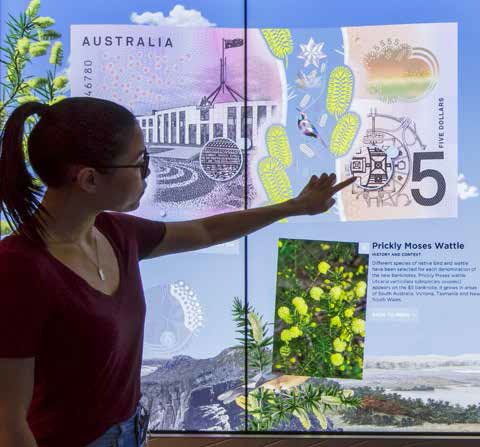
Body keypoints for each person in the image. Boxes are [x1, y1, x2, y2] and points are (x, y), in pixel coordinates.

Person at [0, 97, 355, 447]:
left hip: (129, 430)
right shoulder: (18, 270)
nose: (148, 172)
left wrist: (295, 207)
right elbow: (9, 425)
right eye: (140, 162)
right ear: (89, 179)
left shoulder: (115, 233)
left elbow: (205, 232)